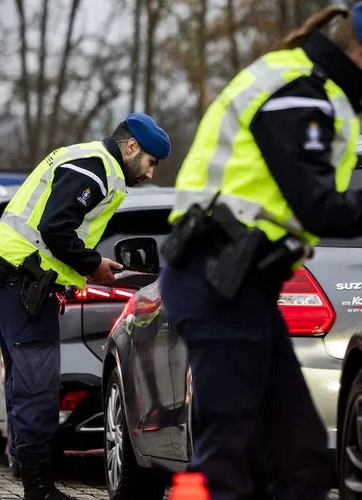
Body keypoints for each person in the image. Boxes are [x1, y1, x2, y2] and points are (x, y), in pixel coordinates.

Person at [159, 4, 362, 500]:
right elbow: (318, 206)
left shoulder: (324, 91)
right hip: (217, 279)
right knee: (231, 449)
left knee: (301, 460)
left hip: (241, 284)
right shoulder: (301, 94)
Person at [0, 113, 171, 500]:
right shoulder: (95, 169)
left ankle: (27, 470)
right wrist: (92, 265)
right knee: (38, 385)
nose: (151, 173)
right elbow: (56, 228)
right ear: (132, 146)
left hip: (19, 278)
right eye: (151, 162)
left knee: (25, 382)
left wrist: (83, 270)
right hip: (26, 281)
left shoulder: (87, 160)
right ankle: (38, 488)